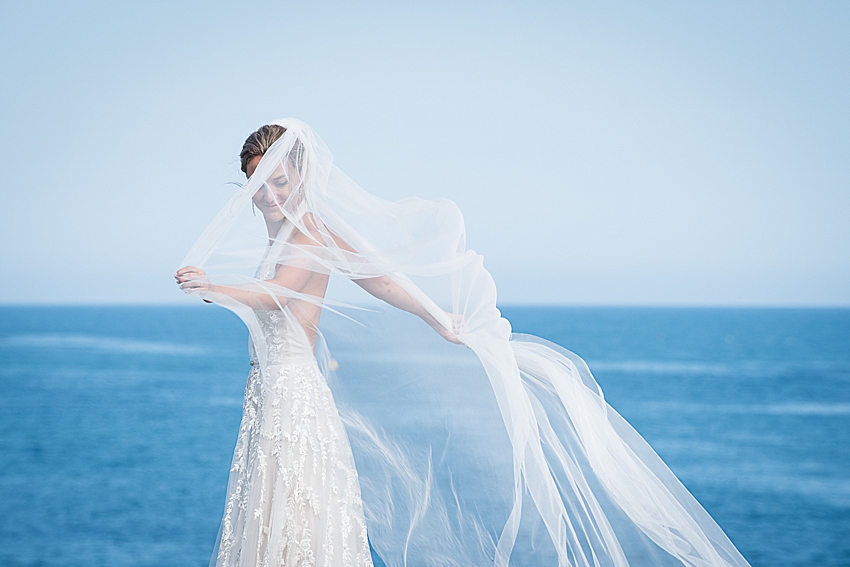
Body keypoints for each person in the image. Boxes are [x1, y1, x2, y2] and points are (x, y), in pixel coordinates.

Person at [176, 119, 752, 567]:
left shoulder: (309, 229)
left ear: (299, 176)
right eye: (258, 183)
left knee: (299, 500)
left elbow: (285, 291)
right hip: (268, 390)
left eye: (279, 180)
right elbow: (367, 279)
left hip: (295, 391)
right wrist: (431, 313)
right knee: (270, 503)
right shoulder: (282, 235)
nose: (270, 194)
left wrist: (436, 317)